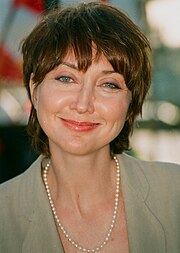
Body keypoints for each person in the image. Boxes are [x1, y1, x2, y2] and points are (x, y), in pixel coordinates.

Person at [0, 2, 180, 253]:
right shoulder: (3, 215)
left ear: (131, 103)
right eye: (66, 78)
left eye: (109, 84)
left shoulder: (175, 194)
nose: (83, 104)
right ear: (34, 89)